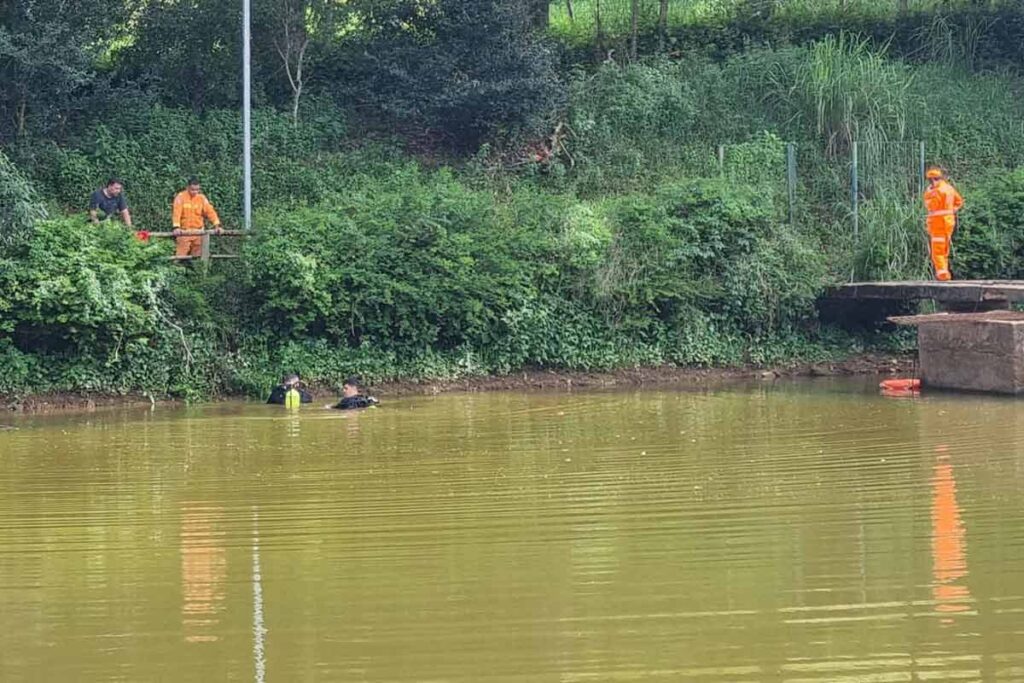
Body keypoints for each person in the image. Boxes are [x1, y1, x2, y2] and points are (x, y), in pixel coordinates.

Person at [923, 167, 964, 281]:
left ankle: (942, 275)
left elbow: (931, 206)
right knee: (944, 249)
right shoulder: (949, 188)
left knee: (937, 250)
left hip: (938, 223)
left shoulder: (935, 191)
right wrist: (951, 211)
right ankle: (944, 273)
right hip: (948, 222)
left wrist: (929, 193)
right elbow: (959, 201)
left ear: (932, 179)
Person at [172, 178, 222, 259]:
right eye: (192, 189)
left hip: (199, 232)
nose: (195, 192)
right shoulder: (180, 197)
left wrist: (217, 225)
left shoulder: (202, 198)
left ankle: (199, 271)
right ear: (187, 187)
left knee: (198, 258)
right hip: (184, 232)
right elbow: (176, 213)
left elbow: (210, 212)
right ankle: (176, 270)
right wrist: (176, 227)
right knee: (180, 256)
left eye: (197, 190)